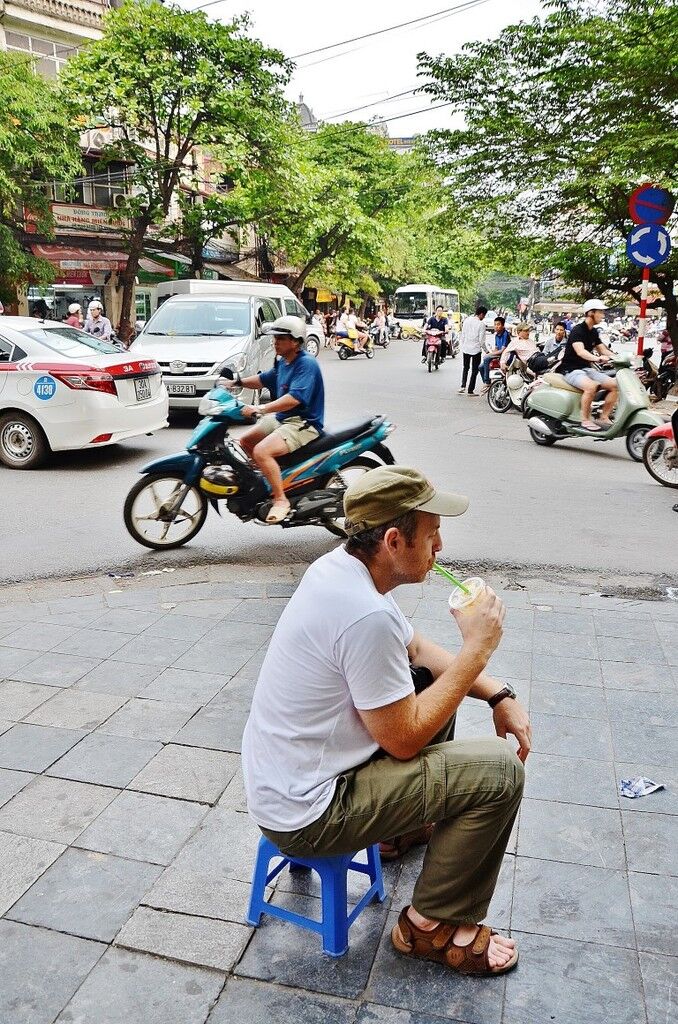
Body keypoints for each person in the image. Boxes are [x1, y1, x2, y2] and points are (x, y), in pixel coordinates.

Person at [242, 464, 530, 976]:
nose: (440, 546)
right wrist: (477, 651)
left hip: (292, 778)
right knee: (500, 772)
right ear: (395, 540)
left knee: (419, 677)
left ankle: (398, 832)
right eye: (432, 533)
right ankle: (428, 927)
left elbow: (415, 647)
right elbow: (404, 740)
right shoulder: (363, 615)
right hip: (310, 814)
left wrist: (496, 694)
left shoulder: (343, 567)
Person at [227, 315, 324, 524]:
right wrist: (236, 382)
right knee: (245, 441)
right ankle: (269, 480)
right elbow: (263, 379)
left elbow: (294, 399)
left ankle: (281, 500)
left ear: (296, 341)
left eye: (280, 338)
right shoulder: (284, 362)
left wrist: (260, 408)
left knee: (262, 451)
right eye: (275, 338)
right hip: (283, 419)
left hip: (303, 423)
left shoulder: (306, 364)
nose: (275, 342)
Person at [555, 299, 618, 432]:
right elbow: (581, 351)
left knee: (614, 384)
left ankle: (604, 417)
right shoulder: (578, 330)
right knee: (591, 386)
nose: (603, 315)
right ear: (590, 313)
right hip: (570, 369)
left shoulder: (593, 332)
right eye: (600, 312)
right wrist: (597, 358)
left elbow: (603, 349)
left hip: (586, 369)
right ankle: (584, 420)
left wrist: (619, 357)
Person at [458, 305, 487, 395]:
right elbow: (481, 341)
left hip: (466, 348)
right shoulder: (481, 324)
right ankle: (470, 390)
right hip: (476, 350)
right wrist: (487, 351)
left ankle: (463, 386)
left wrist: (463, 345)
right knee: (475, 370)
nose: (484, 317)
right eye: (484, 315)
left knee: (465, 368)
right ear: (481, 314)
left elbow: (463, 334)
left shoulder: (467, 320)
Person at [479, 316, 511, 393]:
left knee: (486, 358)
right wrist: (492, 352)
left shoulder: (505, 334)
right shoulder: (496, 335)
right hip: (498, 354)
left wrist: (491, 354)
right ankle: (487, 383)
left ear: (503, 326)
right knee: (480, 367)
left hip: (504, 355)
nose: (496, 326)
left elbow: (503, 350)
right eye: (495, 324)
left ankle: (487, 382)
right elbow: (496, 348)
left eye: (498, 324)